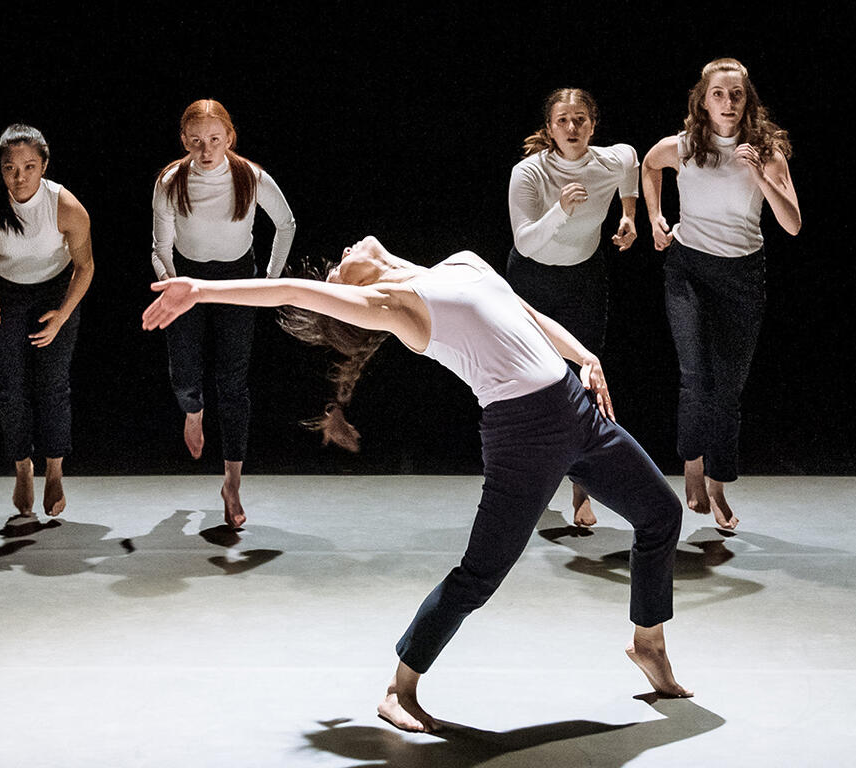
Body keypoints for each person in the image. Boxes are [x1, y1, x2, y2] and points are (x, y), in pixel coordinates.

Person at [142, 236, 689, 734]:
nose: (344, 252)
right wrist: (202, 289)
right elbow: (291, 289)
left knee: (661, 514)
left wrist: (584, 355)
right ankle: (398, 688)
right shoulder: (397, 308)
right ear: (354, 290)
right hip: (523, 435)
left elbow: (527, 313)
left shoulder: (461, 262)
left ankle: (648, 643)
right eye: (337, 267)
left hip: (577, 409)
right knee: (480, 575)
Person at [641, 58, 802, 529]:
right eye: (718, 94)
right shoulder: (686, 146)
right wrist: (654, 216)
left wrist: (760, 177)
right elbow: (650, 165)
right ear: (703, 99)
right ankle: (691, 464)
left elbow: (792, 224)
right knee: (695, 375)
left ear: (747, 100)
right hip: (688, 269)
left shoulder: (766, 152)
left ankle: (719, 482)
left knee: (728, 389)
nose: (727, 103)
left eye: (736, 95)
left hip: (743, 276)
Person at [150, 99, 298, 528]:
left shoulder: (250, 177)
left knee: (232, 382)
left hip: (236, 276)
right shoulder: (170, 181)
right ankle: (193, 412)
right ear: (184, 141)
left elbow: (285, 223)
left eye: (215, 139)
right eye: (196, 141)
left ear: (229, 138)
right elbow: (159, 246)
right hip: (187, 275)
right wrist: (172, 284)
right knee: (185, 374)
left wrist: (269, 281)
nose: (206, 149)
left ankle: (231, 482)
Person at [506, 87, 640, 527]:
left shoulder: (610, 161)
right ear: (550, 128)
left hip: (584, 277)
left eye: (580, 119)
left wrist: (628, 215)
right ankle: (528, 481)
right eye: (562, 120)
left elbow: (632, 162)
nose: (572, 128)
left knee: (586, 379)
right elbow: (525, 241)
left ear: (593, 124)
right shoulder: (528, 173)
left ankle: (584, 489)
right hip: (531, 280)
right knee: (529, 381)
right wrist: (560, 210)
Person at [0, 125, 95, 530]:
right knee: (11, 385)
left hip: (56, 291)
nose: (19, 177)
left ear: (44, 166)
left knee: (53, 384)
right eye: (10, 168)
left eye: (28, 167)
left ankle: (54, 469)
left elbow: (85, 267)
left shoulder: (65, 206)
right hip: (7, 290)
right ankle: (23, 468)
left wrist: (63, 315)